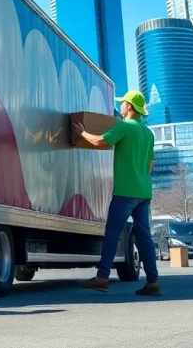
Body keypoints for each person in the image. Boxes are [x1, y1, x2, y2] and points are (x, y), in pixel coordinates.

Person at [73, 89, 161, 296]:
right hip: (143, 191)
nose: (120, 105)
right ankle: (153, 282)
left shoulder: (124, 126)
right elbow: (150, 164)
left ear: (129, 107)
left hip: (125, 191)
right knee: (145, 237)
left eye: (122, 103)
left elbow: (100, 141)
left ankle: (102, 278)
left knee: (112, 234)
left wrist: (81, 133)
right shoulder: (148, 133)